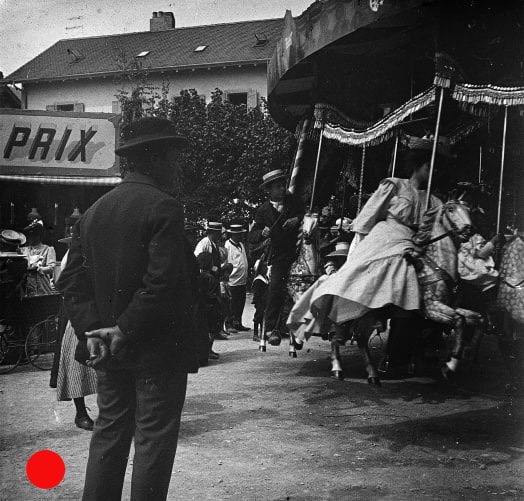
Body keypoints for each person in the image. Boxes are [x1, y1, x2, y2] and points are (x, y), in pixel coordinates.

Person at [56, 117, 199, 501]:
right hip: (155, 350)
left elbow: (69, 281)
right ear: (152, 158)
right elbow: (163, 283)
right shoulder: (164, 207)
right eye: (171, 156)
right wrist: (123, 330)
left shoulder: (94, 212)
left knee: (109, 434)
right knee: (152, 442)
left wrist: (95, 331)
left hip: (108, 351)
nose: (176, 165)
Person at [301, 138, 445, 369]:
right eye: (428, 166)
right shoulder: (395, 186)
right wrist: (358, 238)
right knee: (391, 271)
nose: (432, 172)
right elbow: (369, 214)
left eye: (435, 168)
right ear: (417, 166)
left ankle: (411, 346)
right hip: (386, 236)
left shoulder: (434, 201)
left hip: (413, 243)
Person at [249, 169, 304, 346]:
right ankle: (272, 328)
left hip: (299, 248)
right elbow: (252, 235)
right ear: (269, 190)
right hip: (280, 254)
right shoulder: (263, 210)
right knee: (276, 286)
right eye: (278, 187)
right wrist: (262, 233)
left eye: (283, 185)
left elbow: (308, 214)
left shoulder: (293, 202)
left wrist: (297, 219)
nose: (282, 189)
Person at [55, 233, 97, 431]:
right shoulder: (70, 259)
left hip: (97, 309)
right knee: (76, 363)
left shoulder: (95, 254)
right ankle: (80, 412)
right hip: (78, 313)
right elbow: (66, 287)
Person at [21, 219, 56, 297]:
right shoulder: (24, 250)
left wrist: (40, 269)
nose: (29, 238)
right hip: (27, 286)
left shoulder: (48, 249)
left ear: (38, 235)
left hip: (41, 285)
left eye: (32, 235)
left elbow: (51, 268)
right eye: (28, 235)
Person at [224, 222, 250, 332]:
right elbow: (225, 262)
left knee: (240, 303)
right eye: (238, 234)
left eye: (241, 234)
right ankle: (229, 324)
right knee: (231, 303)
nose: (241, 236)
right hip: (232, 280)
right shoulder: (227, 246)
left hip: (242, 280)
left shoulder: (241, 245)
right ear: (233, 235)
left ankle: (238, 322)